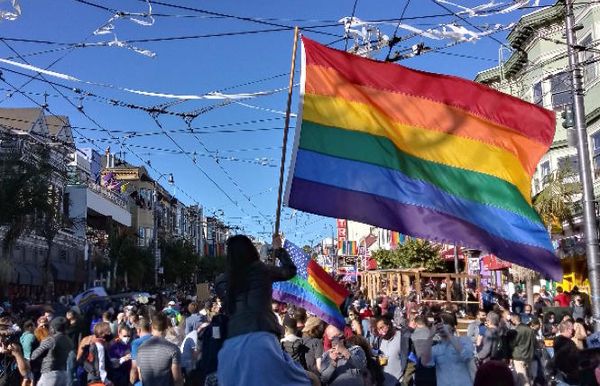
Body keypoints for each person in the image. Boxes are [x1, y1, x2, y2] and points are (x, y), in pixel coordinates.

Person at [215, 234, 311, 386]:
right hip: (262, 338)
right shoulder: (261, 270)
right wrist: (279, 250)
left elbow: (229, 309)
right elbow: (289, 271)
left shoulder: (220, 282)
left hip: (232, 344)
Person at [421, 312, 474, 386]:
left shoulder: (464, 340)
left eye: (445, 323)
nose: (441, 326)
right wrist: (430, 336)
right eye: (438, 323)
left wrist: (449, 334)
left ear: (452, 326)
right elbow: (425, 362)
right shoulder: (436, 348)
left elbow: (467, 356)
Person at [136, 313, 183, 386]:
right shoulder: (173, 349)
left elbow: (140, 376)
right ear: (167, 327)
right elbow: (177, 379)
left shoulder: (140, 348)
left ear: (151, 327)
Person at [30, 316, 73, 386]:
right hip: (64, 373)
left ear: (53, 328)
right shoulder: (69, 340)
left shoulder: (51, 340)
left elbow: (34, 356)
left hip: (49, 373)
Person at [374, 317, 410, 386]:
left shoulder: (402, 337)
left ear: (388, 325)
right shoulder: (379, 341)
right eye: (378, 329)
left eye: (382, 327)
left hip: (399, 382)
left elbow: (411, 360)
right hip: (385, 382)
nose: (381, 331)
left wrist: (405, 381)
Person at [0, 316, 31, 386]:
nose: (2, 339)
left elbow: (25, 373)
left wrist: (17, 354)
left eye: (5, 336)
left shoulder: (14, 345)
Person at [509, 313, 536, 386]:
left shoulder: (517, 330)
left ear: (514, 319)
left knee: (523, 379)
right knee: (528, 377)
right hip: (529, 356)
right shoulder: (530, 329)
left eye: (511, 319)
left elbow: (512, 344)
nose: (511, 320)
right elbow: (534, 343)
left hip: (519, 357)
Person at [130, 318, 152, 386]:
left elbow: (134, 367)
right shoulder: (157, 339)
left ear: (139, 330)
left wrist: (131, 381)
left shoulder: (136, 343)